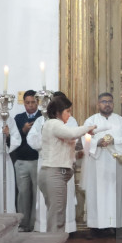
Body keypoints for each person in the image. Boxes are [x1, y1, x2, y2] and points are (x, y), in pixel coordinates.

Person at [27, 91, 82, 233]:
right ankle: (47, 230)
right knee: (51, 201)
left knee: (63, 200)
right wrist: (47, 140)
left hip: (65, 164)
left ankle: (66, 229)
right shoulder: (41, 121)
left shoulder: (71, 121)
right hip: (47, 162)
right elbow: (31, 140)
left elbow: (73, 138)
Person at [39, 95, 95, 232]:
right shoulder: (53, 123)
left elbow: (61, 148)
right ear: (58, 112)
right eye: (67, 111)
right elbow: (71, 134)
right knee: (57, 213)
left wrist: (76, 154)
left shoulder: (56, 125)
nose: (69, 115)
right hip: (54, 173)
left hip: (54, 173)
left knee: (57, 212)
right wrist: (88, 128)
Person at [83, 92, 122, 239]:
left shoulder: (121, 122)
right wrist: (96, 143)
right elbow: (85, 140)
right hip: (97, 164)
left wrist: (114, 141)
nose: (107, 104)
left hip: (116, 164)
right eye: (104, 101)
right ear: (98, 104)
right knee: (96, 195)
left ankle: (117, 227)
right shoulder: (90, 120)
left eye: (110, 102)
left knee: (117, 194)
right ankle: (96, 227)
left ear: (113, 104)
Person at [12, 90, 42, 231]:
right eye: (27, 103)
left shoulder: (42, 117)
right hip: (22, 160)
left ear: (38, 102)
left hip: (37, 160)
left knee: (37, 194)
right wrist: (23, 131)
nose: (30, 106)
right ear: (23, 103)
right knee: (23, 193)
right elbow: (12, 139)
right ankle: (23, 224)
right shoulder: (18, 118)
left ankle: (35, 223)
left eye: (33, 102)